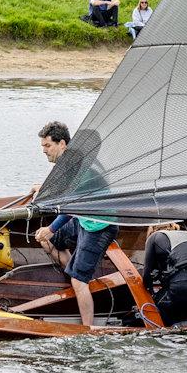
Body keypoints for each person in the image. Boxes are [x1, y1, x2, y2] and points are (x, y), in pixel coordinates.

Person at [33, 122, 118, 327]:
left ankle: (87, 328)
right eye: (42, 146)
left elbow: (71, 207)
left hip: (100, 225)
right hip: (82, 220)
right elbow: (61, 189)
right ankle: (74, 273)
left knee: (78, 280)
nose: (43, 150)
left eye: (47, 145)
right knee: (47, 241)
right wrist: (42, 188)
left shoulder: (79, 167)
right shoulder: (70, 162)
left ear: (62, 143)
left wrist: (51, 228)